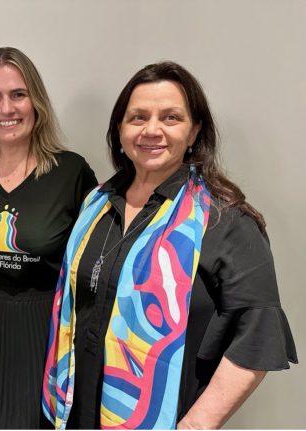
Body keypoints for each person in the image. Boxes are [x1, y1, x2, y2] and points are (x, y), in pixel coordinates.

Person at [43, 61, 298, 429]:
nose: (152, 130)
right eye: (138, 117)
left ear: (194, 130)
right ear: (119, 130)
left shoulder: (224, 221)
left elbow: (259, 335)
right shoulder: (96, 204)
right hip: (72, 413)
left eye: (171, 118)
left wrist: (194, 426)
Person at [0, 47, 97, 429]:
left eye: (18, 94)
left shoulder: (71, 172)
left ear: (37, 102)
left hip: (46, 332)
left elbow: (96, 260)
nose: (6, 109)